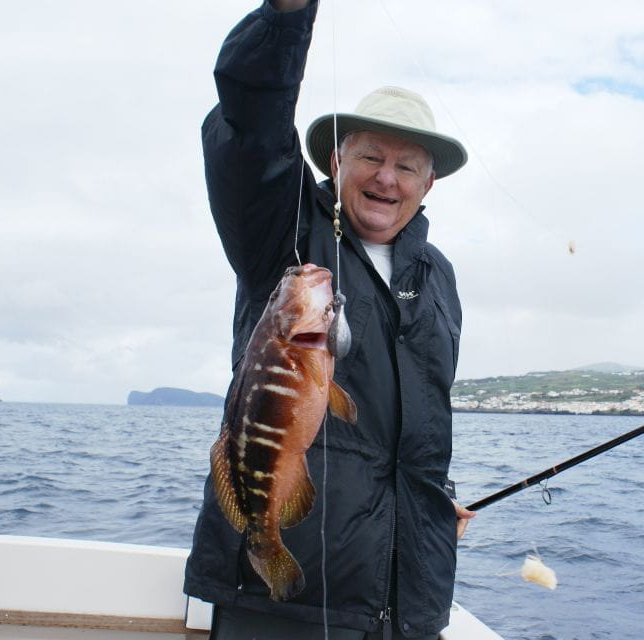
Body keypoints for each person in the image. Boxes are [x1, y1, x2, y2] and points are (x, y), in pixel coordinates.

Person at [184, 1, 475, 638]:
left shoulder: (438, 277)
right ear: (336, 160)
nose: (386, 178)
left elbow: (416, 420)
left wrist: (425, 502)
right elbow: (249, 128)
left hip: (408, 599)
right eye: (371, 156)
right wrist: (287, 16)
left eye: (407, 166)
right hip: (287, 604)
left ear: (428, 185)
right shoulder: (283, 230)